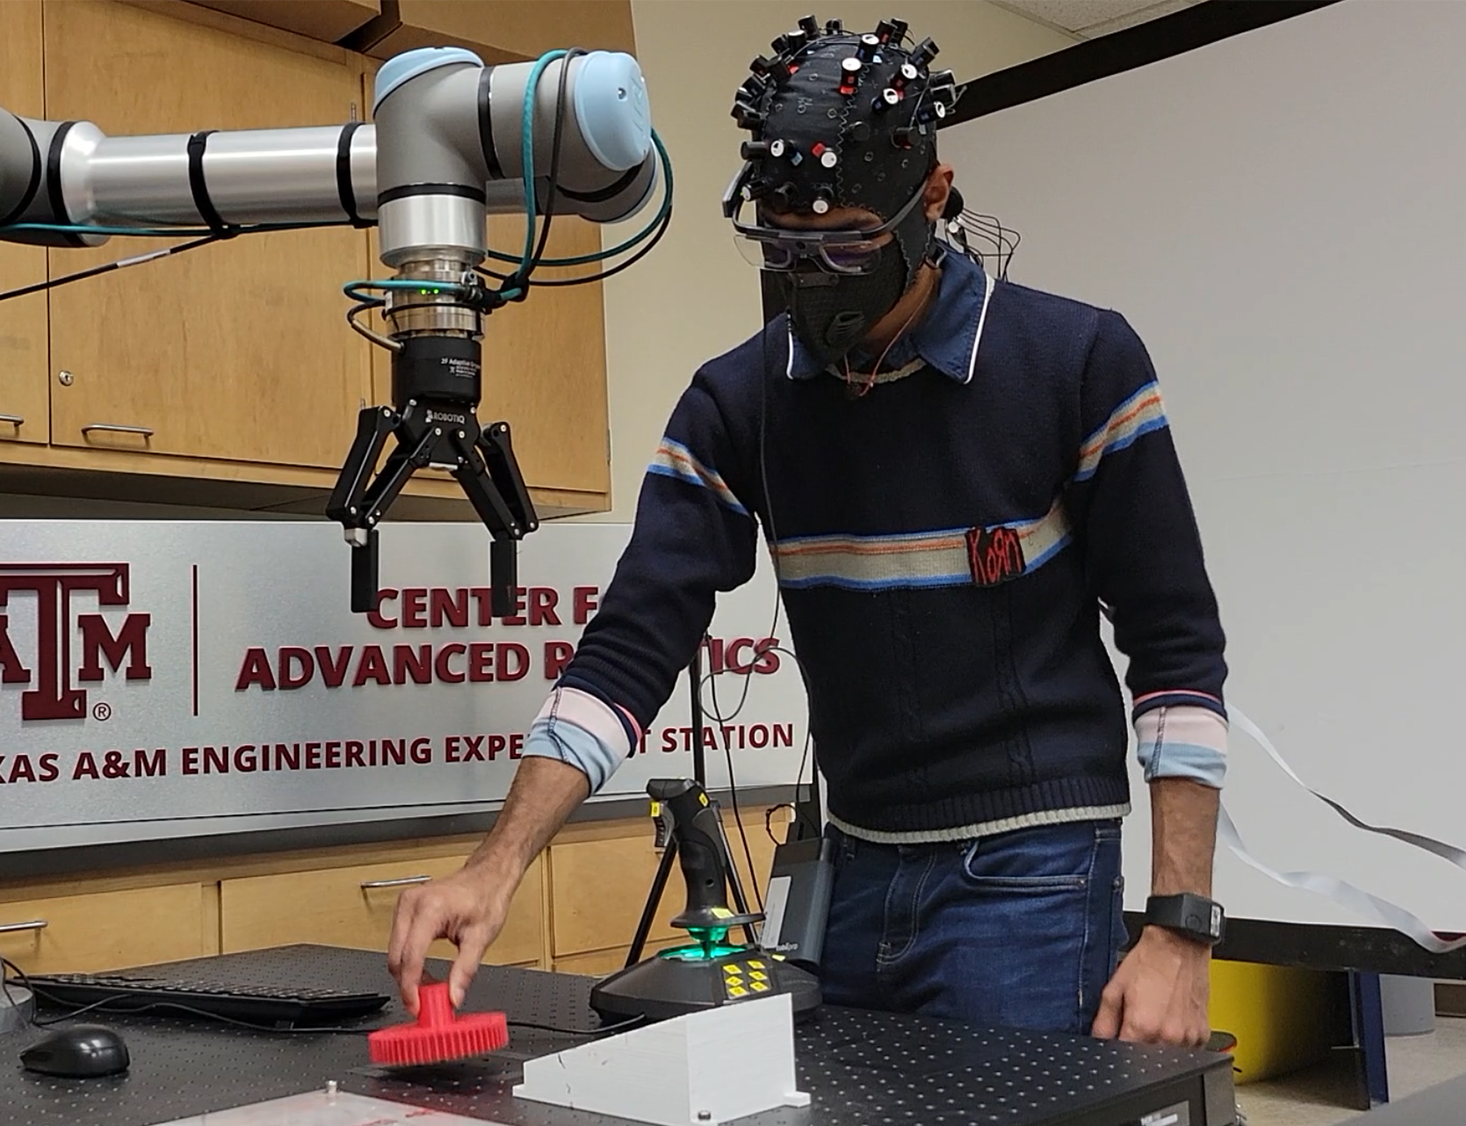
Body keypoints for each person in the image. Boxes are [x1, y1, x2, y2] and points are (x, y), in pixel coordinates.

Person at [386, 15, 1228, 1046]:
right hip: (856, 863)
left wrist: (1179, 928)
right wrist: (496, 863)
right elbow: (632, 640)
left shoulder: (1074, 362)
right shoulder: (737, 401)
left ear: (929, 198)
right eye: (784, 246)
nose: (813, 277)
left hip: (1030, 870)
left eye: (845, 244)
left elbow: (1174, 647)